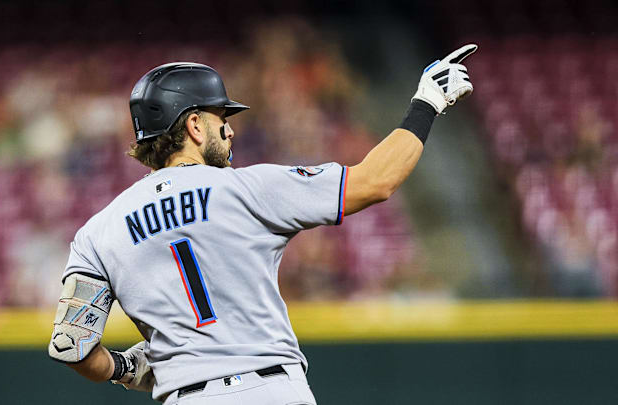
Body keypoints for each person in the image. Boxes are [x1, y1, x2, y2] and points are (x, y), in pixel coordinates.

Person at [48, 44, 478, 404]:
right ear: (194, 125)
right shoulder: (246, 188)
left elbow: (72, 346)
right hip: (269, 389)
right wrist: (426, 104)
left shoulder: (97, 233)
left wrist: (125, 367)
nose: (230, 132)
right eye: (222, 121)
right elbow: (375, 181)